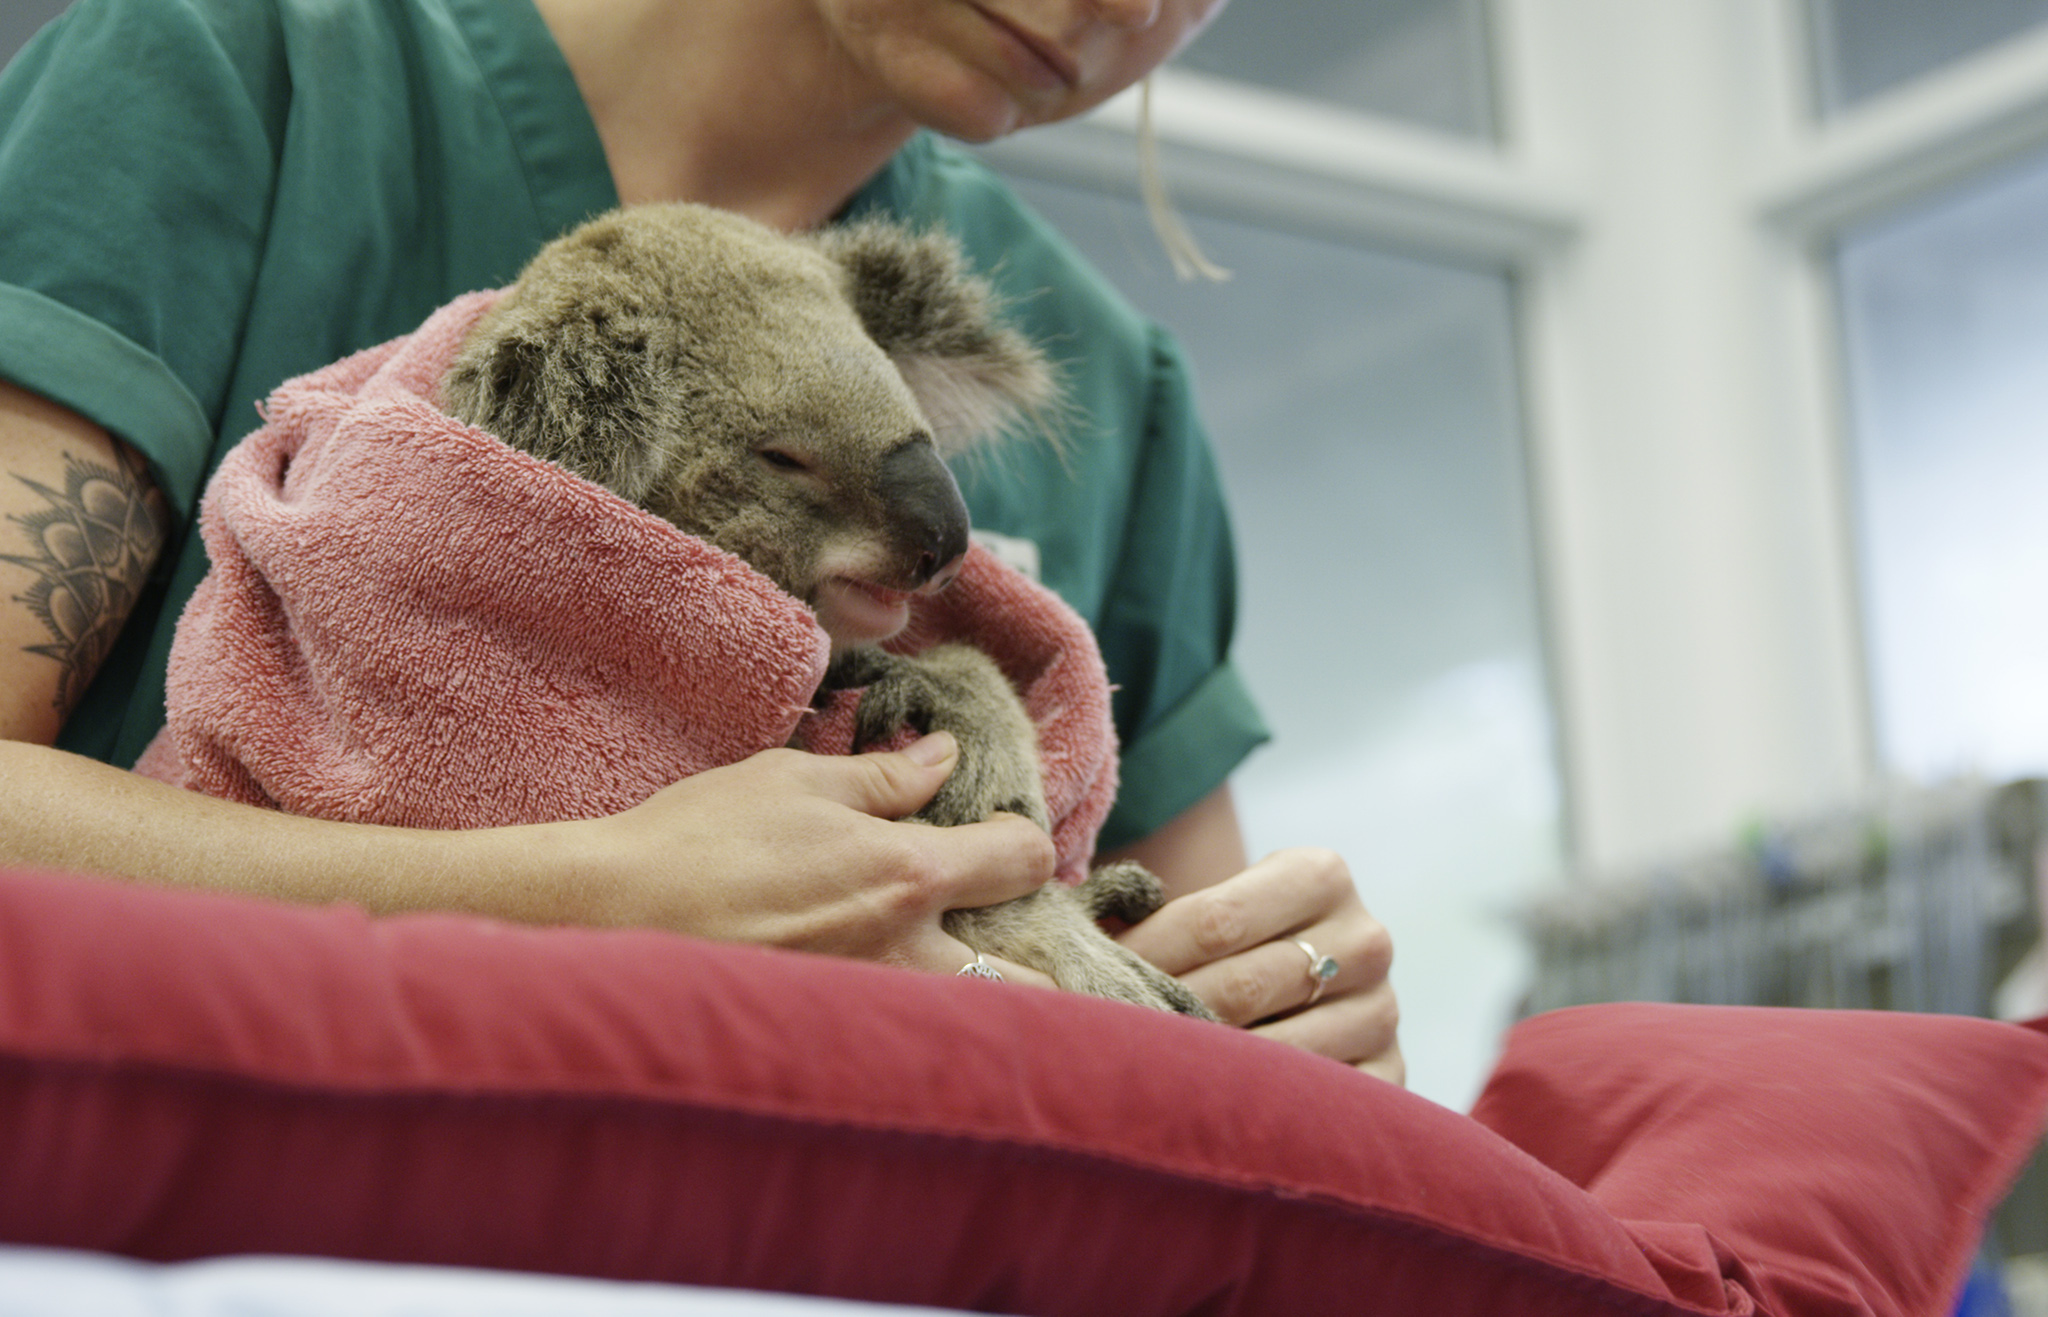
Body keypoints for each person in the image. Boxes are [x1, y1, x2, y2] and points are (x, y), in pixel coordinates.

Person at [0, 0, 1402, 1082]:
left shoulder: (1095, 381)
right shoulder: (240, 85)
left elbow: (1175, 999)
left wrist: (1280, 1000)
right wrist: (588, 904)